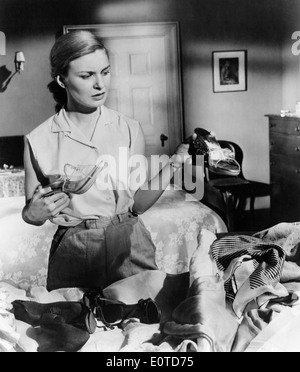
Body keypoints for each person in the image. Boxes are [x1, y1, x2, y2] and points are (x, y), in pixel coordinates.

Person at [22, 30, 190, 291]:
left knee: (143, 322)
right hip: (73, 247)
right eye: (87, 75)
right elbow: (32, 214)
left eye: (105, 71)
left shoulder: (129, 129)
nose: (101, 84)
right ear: (62, 79)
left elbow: (139, 203)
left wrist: (176, 162)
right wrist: (33, 214)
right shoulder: (38, 139)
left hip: (130, 241)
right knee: (73, 324)